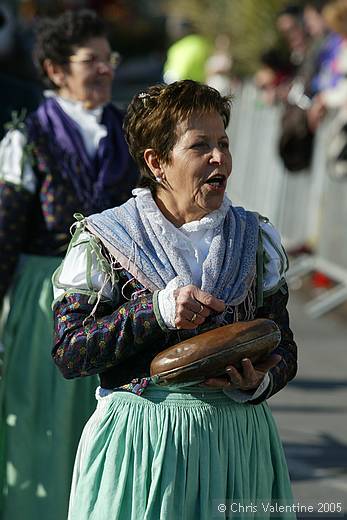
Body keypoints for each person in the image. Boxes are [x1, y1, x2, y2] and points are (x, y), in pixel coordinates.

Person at [52, 80, 298, 519]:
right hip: (142, 446)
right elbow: (71, 354)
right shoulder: (106, 239)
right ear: (157, 162)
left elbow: (282, 343)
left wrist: (259, 381)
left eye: (223, 142)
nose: (219, 157)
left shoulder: (254, 237)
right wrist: (155, 311)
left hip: (238, 444)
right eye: (200, 145)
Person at [0, 9, 138, 520]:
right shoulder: (27, 137)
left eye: (110, 59)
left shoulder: (128, 131)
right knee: (43, 423)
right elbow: (4, 237)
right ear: (56, 70)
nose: (105, 70)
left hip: (120, 301)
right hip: (46, 300)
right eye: (91, 61)